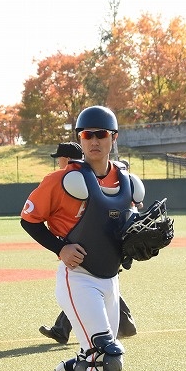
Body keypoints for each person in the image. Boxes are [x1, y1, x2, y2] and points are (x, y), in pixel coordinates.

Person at [18, 105, 147, 371]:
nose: (93, 140)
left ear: (113, 138)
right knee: (107, 356)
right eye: (86, 135)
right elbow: (29, 219)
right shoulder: (63, 180)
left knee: (92, 361)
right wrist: (60, 247)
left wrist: (141, 244)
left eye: (101, 134)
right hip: (77, 279)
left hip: (110, 281)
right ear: (79, 138)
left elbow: (130, 230)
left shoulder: (129, 183)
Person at [38, 142, 138, 344]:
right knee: (91, 291)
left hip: (102, 257)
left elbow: (127, 214)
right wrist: (60, 247)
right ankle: (123, 324)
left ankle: (122, 324)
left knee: (93, 289)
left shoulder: (103, 180)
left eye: (60, 158)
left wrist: (128, 249)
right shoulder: (64, 181)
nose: (58, 162)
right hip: (85, 260)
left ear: (68, 159)